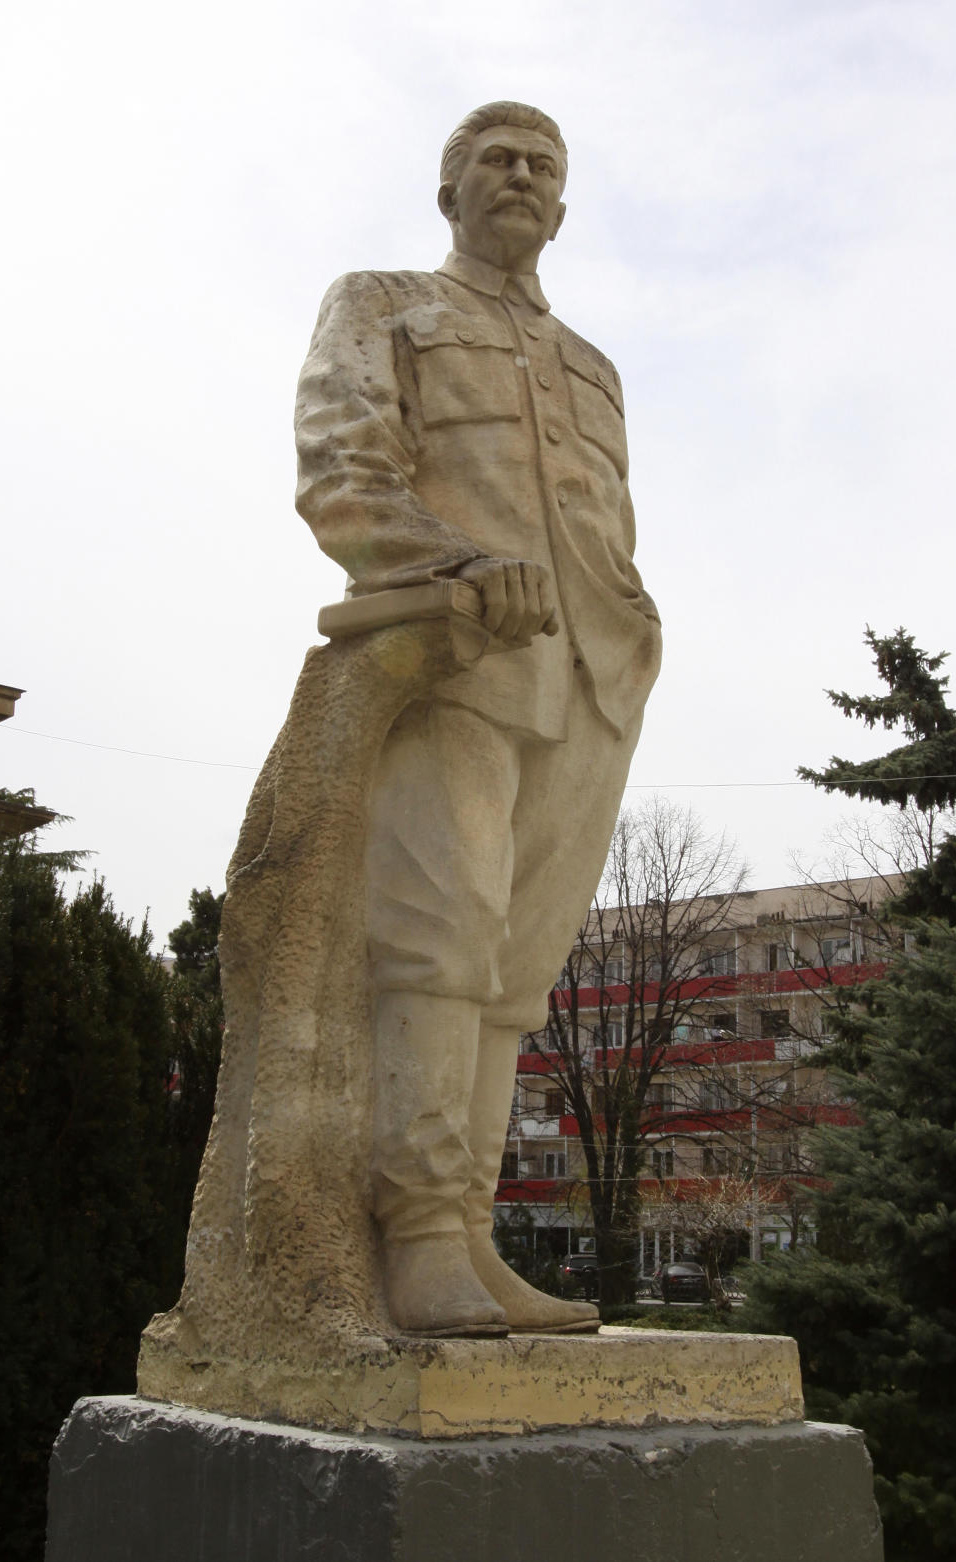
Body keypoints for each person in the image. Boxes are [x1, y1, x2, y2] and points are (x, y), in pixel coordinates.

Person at [294, 102, 662, 1335]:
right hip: (454, 658)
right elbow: (342, 472)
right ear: (448, 189)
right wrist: (450, 560)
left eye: (543, 165)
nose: (521, 175)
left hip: (596, 679)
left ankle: (473, 1236)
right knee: (438, 941)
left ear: (562, 204)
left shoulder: (595, 366)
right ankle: (419, 1235)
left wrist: (637, 621)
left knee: (513, 975)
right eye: (495, 160)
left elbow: (605, 522)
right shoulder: (384, 303)